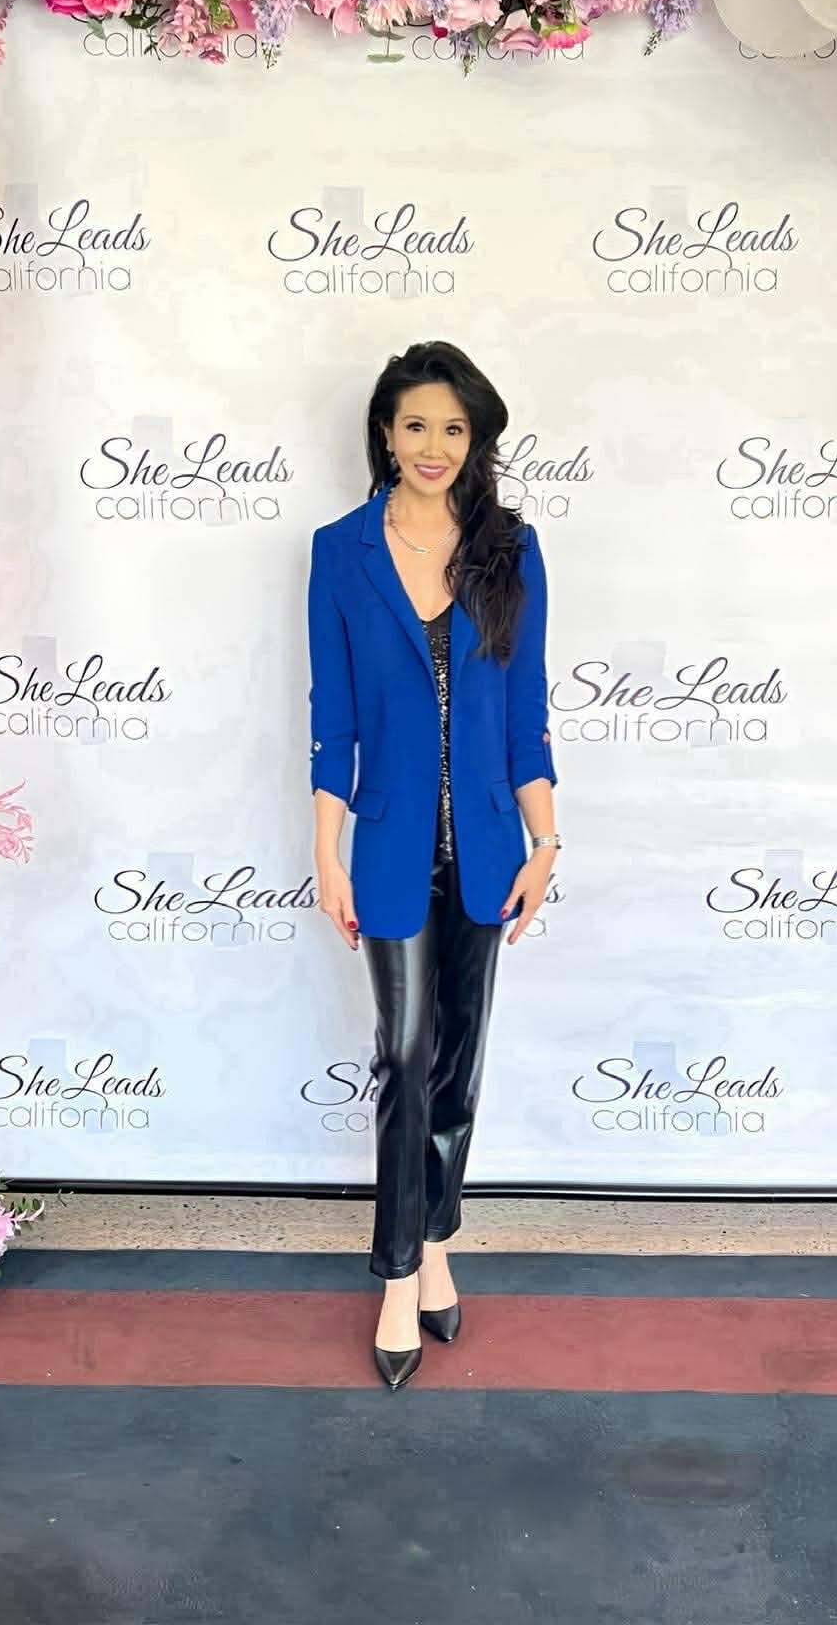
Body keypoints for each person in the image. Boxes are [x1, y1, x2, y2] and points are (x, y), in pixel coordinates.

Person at [306, 340, 561, 1390]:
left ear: (476, 440)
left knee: (460, 1053)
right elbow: (333, 717)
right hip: (391, 840)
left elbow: (527, 717)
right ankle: (400, 1270)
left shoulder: (513, 549)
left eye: (453, 429)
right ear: (382, 430)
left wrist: (546, 840)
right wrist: (324, 849)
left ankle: (440, 1232)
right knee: (405, 1053)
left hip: (492, 842)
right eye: (415, 424)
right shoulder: (339, 551)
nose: (433, 446)